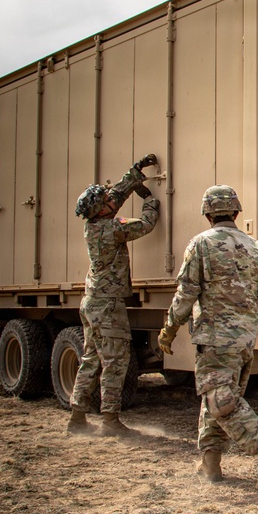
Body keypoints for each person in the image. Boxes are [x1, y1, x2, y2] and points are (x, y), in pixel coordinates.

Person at [158, 185, 258, 492]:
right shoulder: (256, 248)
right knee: (217, 401)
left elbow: (187, 292)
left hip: (216, 338)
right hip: (245, 340)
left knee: (220, 400)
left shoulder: (201, 244)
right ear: (236, 212)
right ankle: (211, 465)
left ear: (207, 214)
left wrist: (169, 328)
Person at [69, 155, 160, 436]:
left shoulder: (96, 223)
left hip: (92, 301)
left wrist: (135, 173)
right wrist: (151, 201)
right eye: (107, 198)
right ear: (103, 209)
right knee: (115, 361)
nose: (112, 196)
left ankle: (77, 417)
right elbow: (146, 223)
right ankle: (110, 421)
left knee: (91, 360)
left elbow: (116, 195)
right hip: (107, 306)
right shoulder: (112, 229)